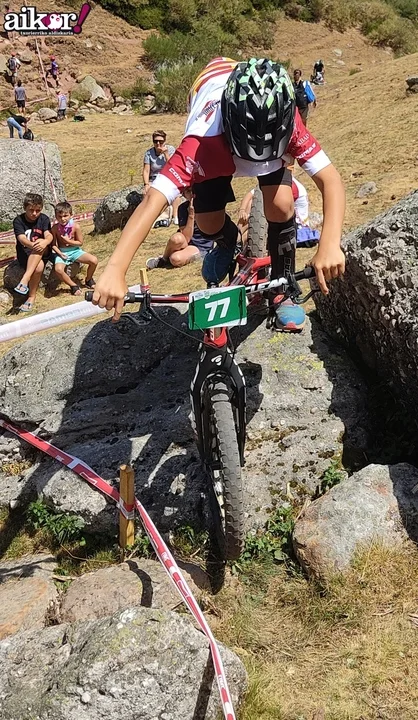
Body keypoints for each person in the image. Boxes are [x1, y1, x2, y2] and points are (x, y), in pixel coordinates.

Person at [92, 57, 345, 332]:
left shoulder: (289, 120)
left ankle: (283, 287)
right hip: (216, 138)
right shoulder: (200, 140)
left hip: (257, 133)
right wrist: (116, 268)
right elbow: (153, 200)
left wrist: (330, 244)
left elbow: (331, 180)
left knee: (282, 205)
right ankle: (229, 242)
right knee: (208, 223)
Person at [146, 188, 214, 269]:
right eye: (188, 191)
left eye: (194, 190)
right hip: (186, 241)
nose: (192, 193)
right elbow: (186, 238)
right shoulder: (182, 208)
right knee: (176, 238)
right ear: (184, 195)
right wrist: (191, 215)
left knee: (175, 259)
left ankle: (173, 258)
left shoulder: (207, 205)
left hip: (201, 246)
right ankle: (163, 259)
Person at [13, 193, 54, 312]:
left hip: (43, 250)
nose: (35, 213)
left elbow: (49, 235)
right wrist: (33, 245)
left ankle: (25, 280)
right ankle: (31, 297)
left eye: (38, 210)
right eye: (31, 210)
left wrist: (44, 242)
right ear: (25, 208)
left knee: (41, 241)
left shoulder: (44, 219)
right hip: (25, 253)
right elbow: (22, 239)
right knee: (39, 267)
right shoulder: (18, 221)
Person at [51, 201, 98, 295]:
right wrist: (60, 253)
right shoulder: (55, 228)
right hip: (62, 252)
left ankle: (88, 279)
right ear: (56, 217)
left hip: (75, 251)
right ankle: (73, 286)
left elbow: (80, 243)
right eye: (60, 216)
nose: (63, 219)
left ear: (71, 215)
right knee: (58, 270)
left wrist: (68, 241)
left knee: (94, 260)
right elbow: (53, 245)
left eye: (65, 216)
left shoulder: (75, 226)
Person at [143, 130, 181, 227]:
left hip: (168, 177)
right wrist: (146, 184)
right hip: (154, 179)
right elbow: (146, 170)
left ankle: (175, 216)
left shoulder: (170, 150)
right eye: (155, 141)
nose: (158, 144)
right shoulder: (149, 153)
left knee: (176, 194)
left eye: (161, 141)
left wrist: (166, 154)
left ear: (165, 141)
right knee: (146, 193)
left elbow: (173, 166)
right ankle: (151, 217)